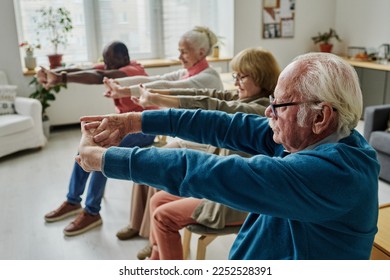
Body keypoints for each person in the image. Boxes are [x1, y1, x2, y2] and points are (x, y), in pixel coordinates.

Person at [77, 52, 380, 260]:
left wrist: (105, 159)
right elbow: (226, 124)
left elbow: (206, 171)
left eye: (280, 105)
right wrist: (135, 122)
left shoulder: (334, 174)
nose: (268, 111)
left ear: (320, 116)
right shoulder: (311, 136)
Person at [130, 47, 280, 259]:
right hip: (219, 185)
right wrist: (156, 96)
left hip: (237, 200)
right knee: (158, 200)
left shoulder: (260, 110)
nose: (236, 82)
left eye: (242, 77)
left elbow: (215, 105)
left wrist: (158, 101)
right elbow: (207, 95)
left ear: (261, 77)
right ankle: (158, 256)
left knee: (163, 216)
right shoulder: (245, 98)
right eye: (235, 75)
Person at [102, 26, 224, 241]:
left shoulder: (208, 77)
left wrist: (124, 91)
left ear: (201, 52)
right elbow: (152, 79)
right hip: (184, 140)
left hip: (202, 146)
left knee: (152, 167)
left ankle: (153, 237)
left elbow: (168, 87)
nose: (179, 56)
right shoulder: (187, 71)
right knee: (140, 164)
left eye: (184, 51)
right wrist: (119, 85)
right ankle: (137, 224)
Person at [41, 41, 157, 236]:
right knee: (84, 148)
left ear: (124, 58)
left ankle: (92, 212)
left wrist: (61, 78)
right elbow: (85, 69)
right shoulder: (115, 65)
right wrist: (55, 72)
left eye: (110, 61)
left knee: (100, 154)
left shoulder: (131, 71)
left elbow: (99, 76)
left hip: (145, 128)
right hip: (125, 125)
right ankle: (72, 201)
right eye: (105, 60)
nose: (107, 65)